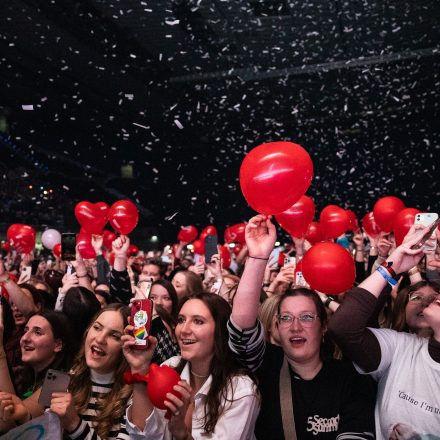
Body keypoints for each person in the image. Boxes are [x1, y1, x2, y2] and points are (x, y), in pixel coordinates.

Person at [228, 215, 376, 439]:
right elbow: (241, 330)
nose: (295, 326)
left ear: (324, 325)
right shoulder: (266, 368)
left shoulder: (351, 378)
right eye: (286, 318)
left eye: (306, 317)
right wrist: (258, 256)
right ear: (276, 326)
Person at [328, 224, 440, 438]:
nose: (425, 302)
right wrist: (393, 265)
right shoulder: (398, 347)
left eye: (433, 298)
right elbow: (343, 327)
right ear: (399, 310)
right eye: (415, 298)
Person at [123, 292, 260, 439]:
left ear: (220, 330)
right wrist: (139, 368)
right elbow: (143, 436)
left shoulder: (240, 390)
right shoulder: (170, 366)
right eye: (181, 320)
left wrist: (182, 433)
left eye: (198, 321)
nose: (184, 330)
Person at [49, 303, 132, 439]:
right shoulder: (63, 379)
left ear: (126, 347)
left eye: (114, 336)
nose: (100, 339)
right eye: (97, 328)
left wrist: (74, 424)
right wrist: (24, 417)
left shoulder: (133, 394)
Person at [0, 310, 74, 431]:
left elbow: (10, 420)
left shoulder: (59, 380)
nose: (24, 338)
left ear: (58, 345)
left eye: (37, 332)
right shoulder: (24, 374)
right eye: (25, 330)